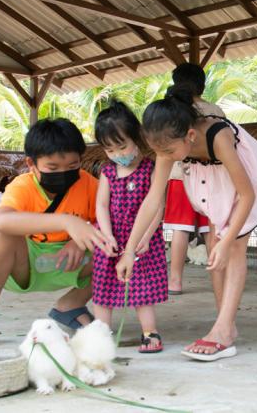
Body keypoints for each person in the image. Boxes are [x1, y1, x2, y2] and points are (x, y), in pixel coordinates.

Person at [116, 86, 257, 362]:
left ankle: (223, 330)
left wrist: (227, 241)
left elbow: (246, 194)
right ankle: (225, 322)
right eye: (156, 150)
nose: (162, 155)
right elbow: (153, 199)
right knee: (215, 245)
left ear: (190, 135)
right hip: (211, 180)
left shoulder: (219, 136)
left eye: (166, 150)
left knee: (233, 247)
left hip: (248, 180)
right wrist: (129, 250)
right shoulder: (167, 143)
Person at [0, 119, 112, 349]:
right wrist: (66, 221)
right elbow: (3, 220)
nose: (64, 173)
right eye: (52, 168)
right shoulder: (22, 186)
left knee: (117, 243)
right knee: (0, 234)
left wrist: (79, 242)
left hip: (74, 263)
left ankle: (71, 304)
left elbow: (110, 220)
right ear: (32, 163)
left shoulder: (89, 184)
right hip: (26, 267)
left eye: (72, 166)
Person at [93, 101, 167, 353]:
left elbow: (157, 207)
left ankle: (150, 332)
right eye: (110, 149)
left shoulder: (151, 168)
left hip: (143, 239)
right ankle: (101, 333)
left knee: (142, 286)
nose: (117, 154)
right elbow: (101, 206)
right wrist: (106, 234)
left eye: (122, 146)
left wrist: (146, 237)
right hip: (112, 239)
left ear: (137, 138)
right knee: (103, 286)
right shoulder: (107, 171)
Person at [164, 63, 225, 295]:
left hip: (181, 176)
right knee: (211, 230)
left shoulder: (172, 111)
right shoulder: (215, 109)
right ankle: (217, 279)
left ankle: (175, 281)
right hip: (212, 178)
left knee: (181, 230)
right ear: (202, 84)